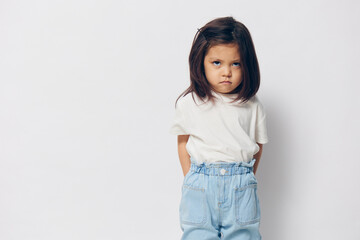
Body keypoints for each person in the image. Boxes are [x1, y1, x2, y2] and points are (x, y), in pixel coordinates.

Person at [169, 16, 269, 240]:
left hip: (241, 186)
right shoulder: (190, 103)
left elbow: (258, 145)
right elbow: (183, 142)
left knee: (244, 236)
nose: (227, 72)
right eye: (217, 63)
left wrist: (246, 177)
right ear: (200, 62)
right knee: (197, 235)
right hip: (200, 185)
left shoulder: (252, 105)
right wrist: (191, 179)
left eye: (236, 63)